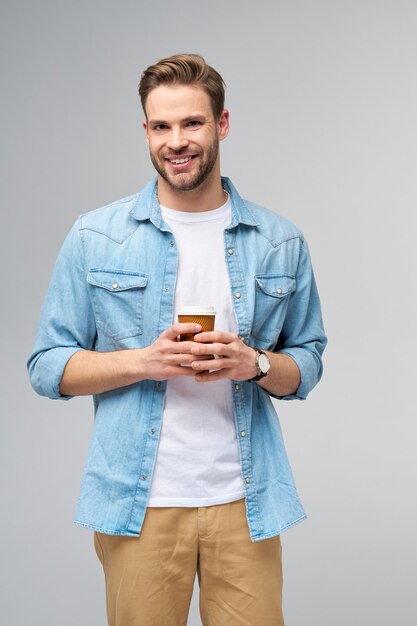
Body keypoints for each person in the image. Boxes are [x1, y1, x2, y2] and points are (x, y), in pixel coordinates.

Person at [28, 53, 327, 626]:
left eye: (191, 123)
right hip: (139, 504)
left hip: (246, 503)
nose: (176, 141)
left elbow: (307, 363)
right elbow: (47, 366)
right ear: (145, 130)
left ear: (222, 124)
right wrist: (144, 361)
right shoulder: (95, 237)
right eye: (160, 126)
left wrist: (254, 363)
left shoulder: (279, 240)